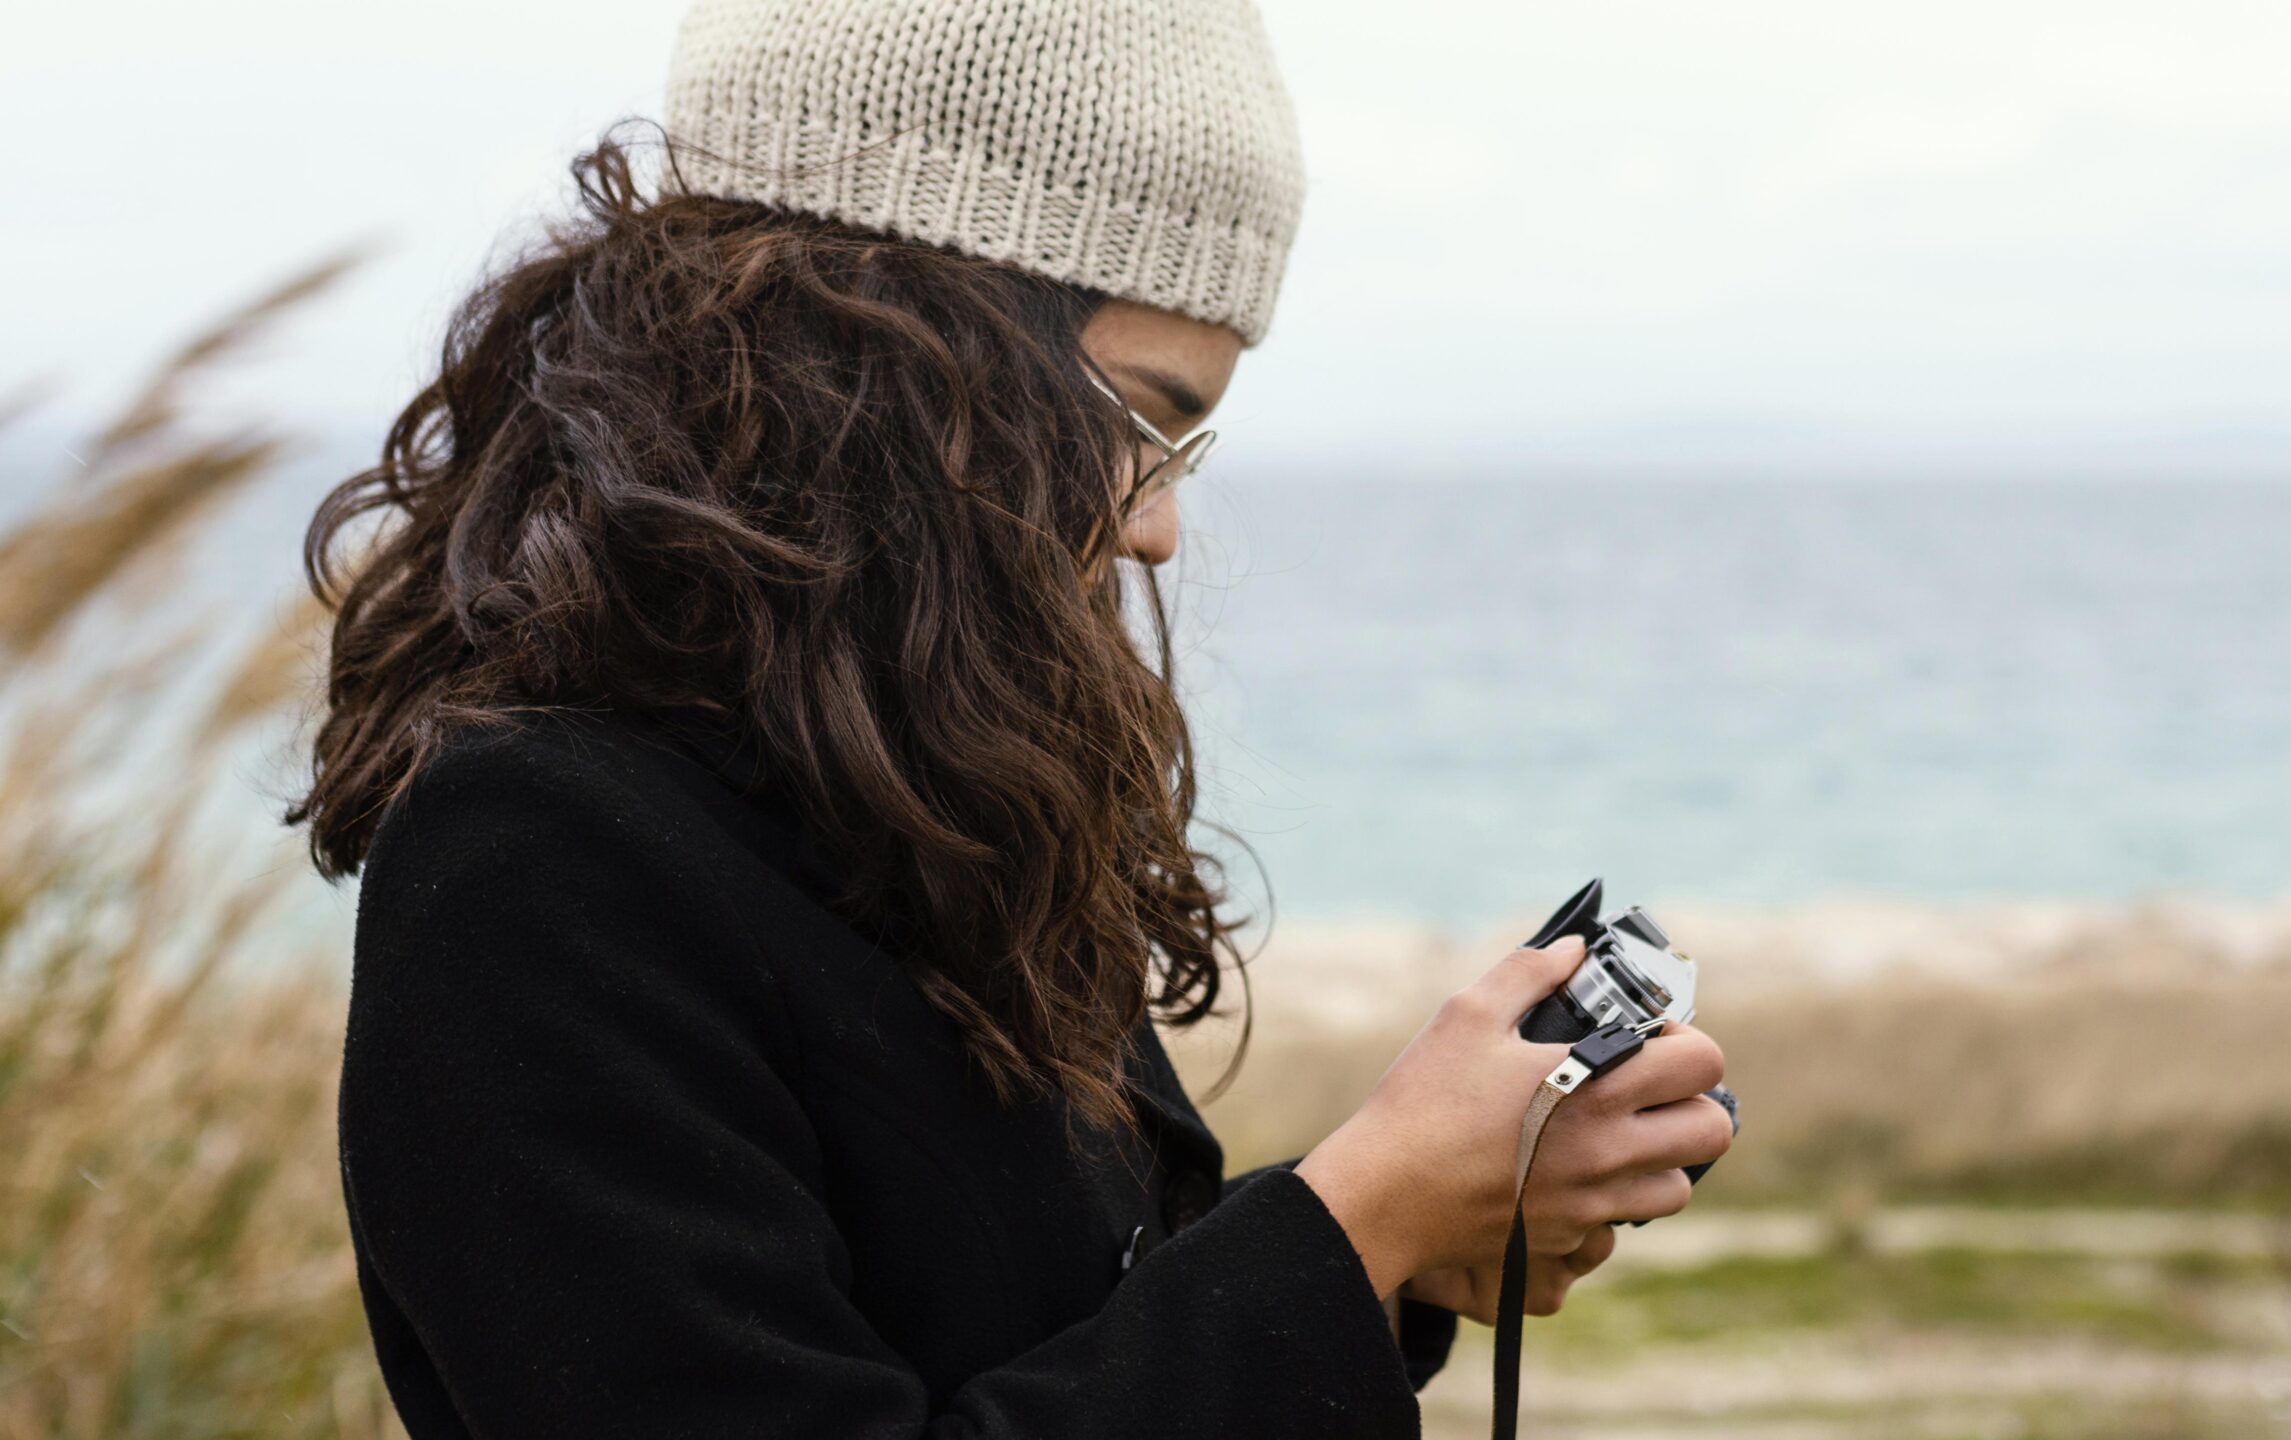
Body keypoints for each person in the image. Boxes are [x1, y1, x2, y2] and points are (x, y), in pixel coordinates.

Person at [289, 1, 1733, 1435]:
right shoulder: (534, 864)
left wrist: (1417, 1233)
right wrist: (1361, 1217)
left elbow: (1027, 1319)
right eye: (1138, 417)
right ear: (895, 344)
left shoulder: (906, 778)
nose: (1158, 526)